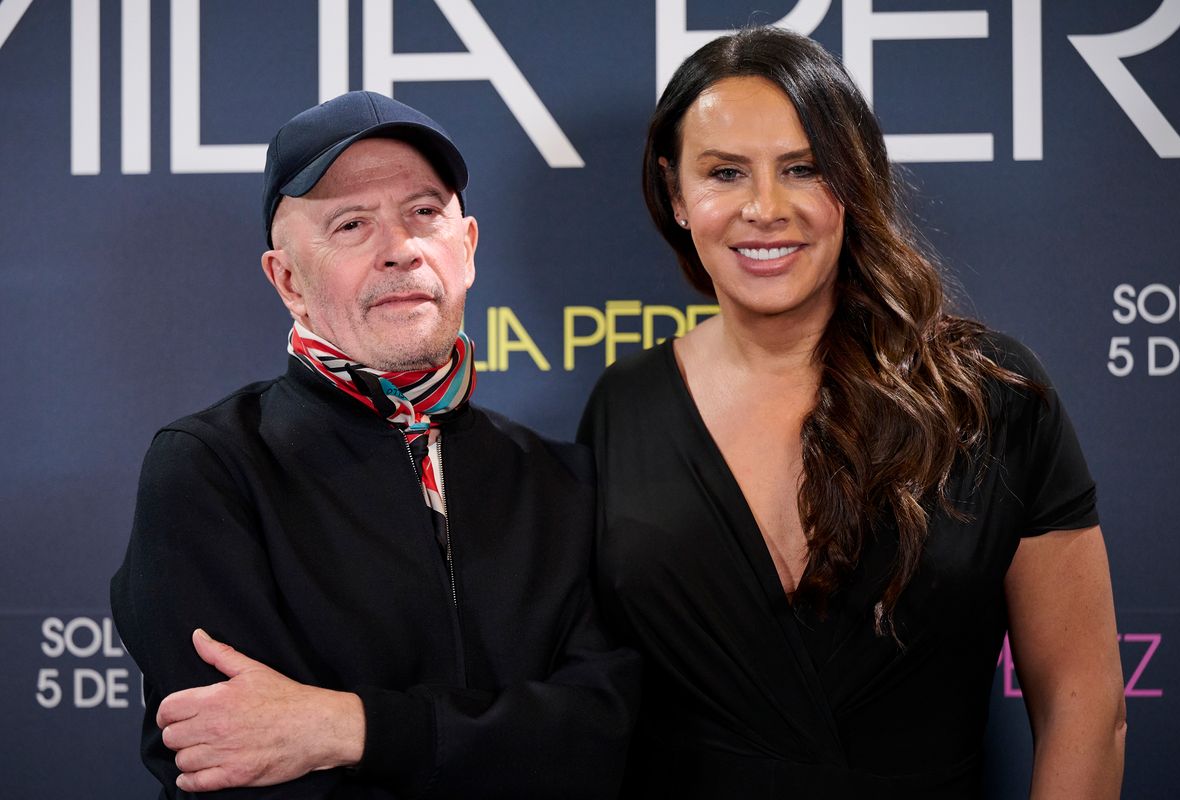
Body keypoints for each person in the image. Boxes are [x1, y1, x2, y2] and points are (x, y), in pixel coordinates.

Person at [578, 27, 1125, 798]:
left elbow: (1084, 702)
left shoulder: (990, 397)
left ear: (854, 180)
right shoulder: (620, 410)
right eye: (725, 173)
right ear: (676, 195)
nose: (763, 209)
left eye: (802, 169)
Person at [111, 90, 638, 799]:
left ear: (468, 247)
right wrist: (496, 740)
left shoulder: (560, 481)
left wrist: (349, 728)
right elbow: (234, 767)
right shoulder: (211, 470)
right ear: (288, 280)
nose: (400, 250)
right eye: (351, 224)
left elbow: (600, 740)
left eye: (423, 212)